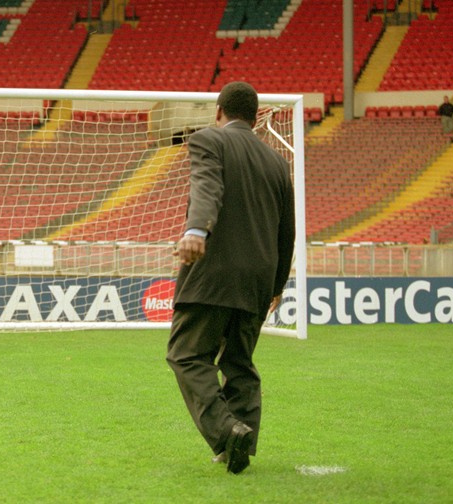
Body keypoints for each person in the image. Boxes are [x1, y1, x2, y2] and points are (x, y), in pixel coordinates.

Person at [166, 82, 295, 475]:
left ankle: (226, 432)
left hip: (213, 274)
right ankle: (238, 447)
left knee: (186, 354)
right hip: (258, 280)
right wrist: (276, 286)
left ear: (219, 111)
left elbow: (208, 186)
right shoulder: (277, 161)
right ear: (255, 117)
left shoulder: (210, 140)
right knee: (239, 362)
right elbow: (286, 230)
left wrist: (197, 230)